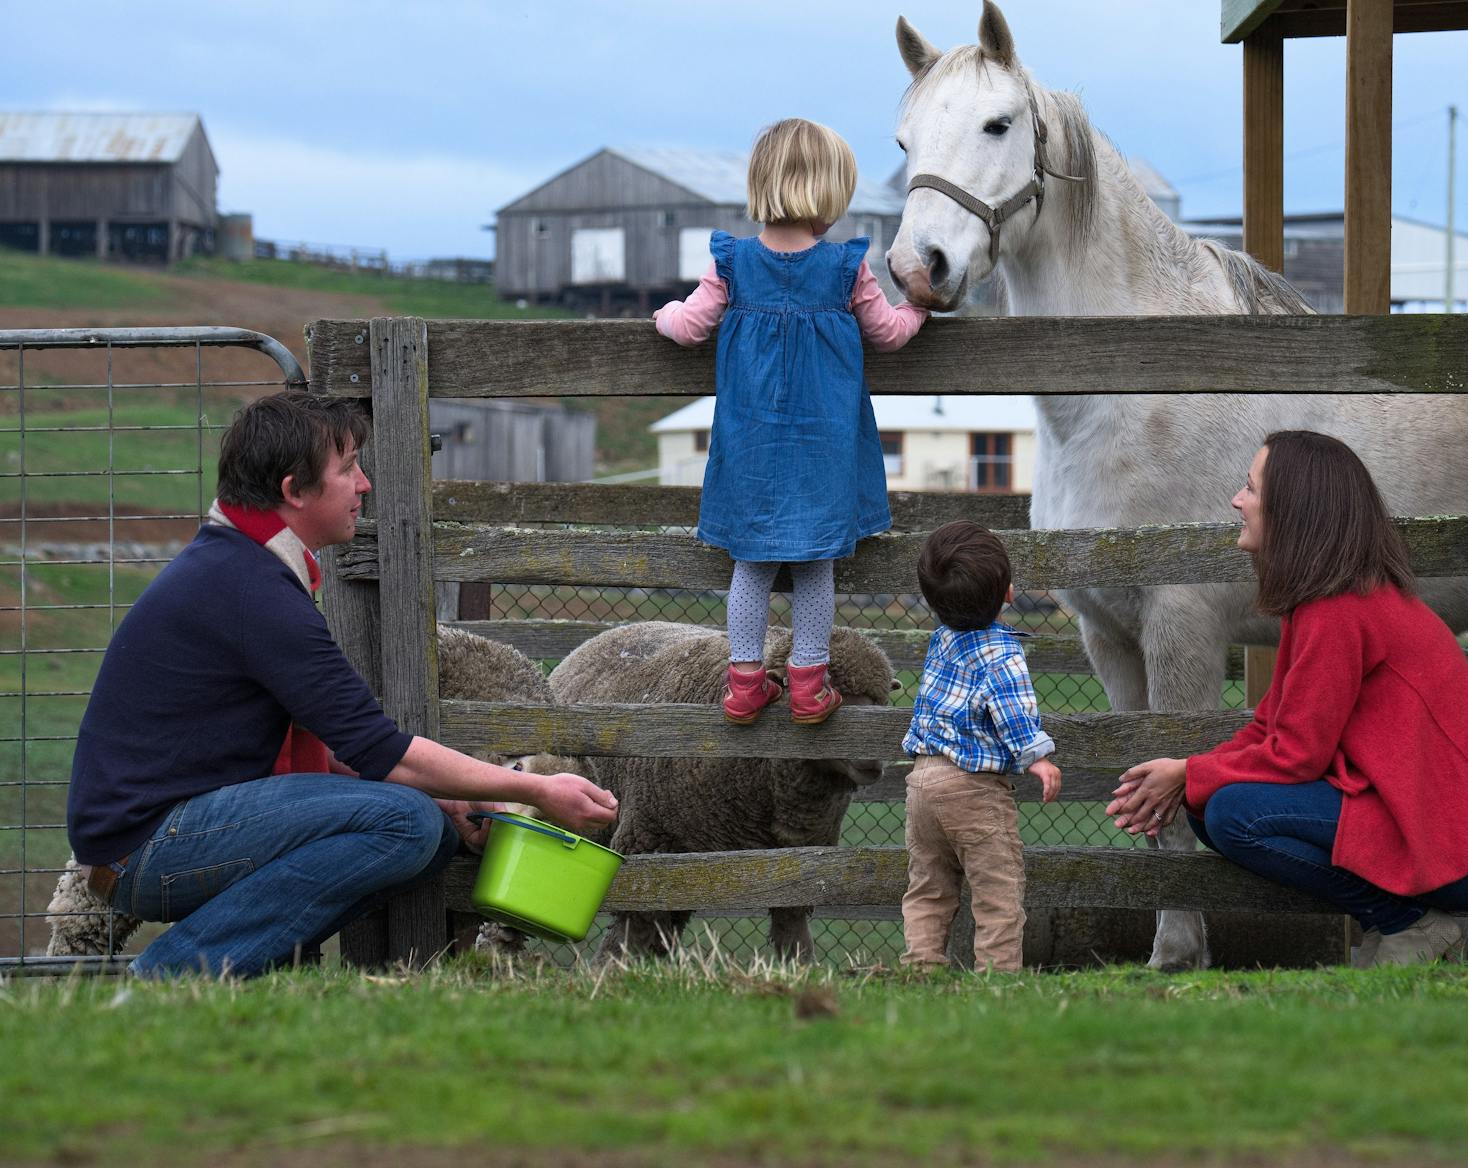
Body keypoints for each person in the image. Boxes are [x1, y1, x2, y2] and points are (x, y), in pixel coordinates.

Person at [65, 392, 618, 978]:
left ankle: (235, 974)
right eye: (349, 467)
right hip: (149, 849)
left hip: (159, 836)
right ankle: (171, 978)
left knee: (428, 837)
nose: (365, 485)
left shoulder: (240, 568)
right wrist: (535, 790)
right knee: (405, 821)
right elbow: (378, 750)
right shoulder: (253, 591)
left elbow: (338, 748)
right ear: (293, 490)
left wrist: (458, 796)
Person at [1106, 430, 1468, 967]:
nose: (1237, 501)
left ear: (1293, 510)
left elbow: (1295, 756)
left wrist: (1188, 772)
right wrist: (1187, 776)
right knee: (1209, 804)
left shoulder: (1340, 610)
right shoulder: (1325, 600)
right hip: (1437, 832)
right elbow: (1269, 731)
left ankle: (1411, 924)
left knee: (1232, 815)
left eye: (1251, 488)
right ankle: (1397, 923)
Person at [654, 117, 928, 725]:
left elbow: (690, 326)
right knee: (815, 566)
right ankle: (808, 683)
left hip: (751, 445)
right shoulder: (843, 269)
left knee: (749, 565)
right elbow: (886, 333)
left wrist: (663, 313)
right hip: (822, 447)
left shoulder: (731, 264)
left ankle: (745, 683)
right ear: (828, 194)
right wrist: (918, 310)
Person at [899, 521, 1062, 972]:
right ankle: (998, 983)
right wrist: (1038, 758)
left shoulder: (942, 638)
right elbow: (1012, 709)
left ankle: (922, 969)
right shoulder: (1001, 653)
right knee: (998, 894)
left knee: (929, 888)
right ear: (1008, 593)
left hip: (922, 782)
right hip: (973, 790)